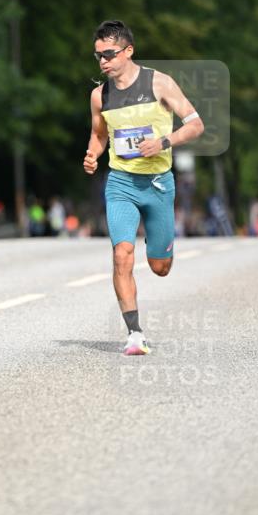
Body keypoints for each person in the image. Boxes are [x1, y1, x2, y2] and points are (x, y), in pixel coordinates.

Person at [83, 20, 204, 356]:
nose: (103, 61)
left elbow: (196, 125)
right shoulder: (99, 95)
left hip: (158, 184)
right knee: (122, 254)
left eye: (109, 53)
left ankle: (159, 240)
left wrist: (164, 141)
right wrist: (93, 155)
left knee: (159, 267)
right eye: (98, 56)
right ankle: (134, 333)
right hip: (120, 183)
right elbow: (99, 134)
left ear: (128, 51)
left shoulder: (159, 83)